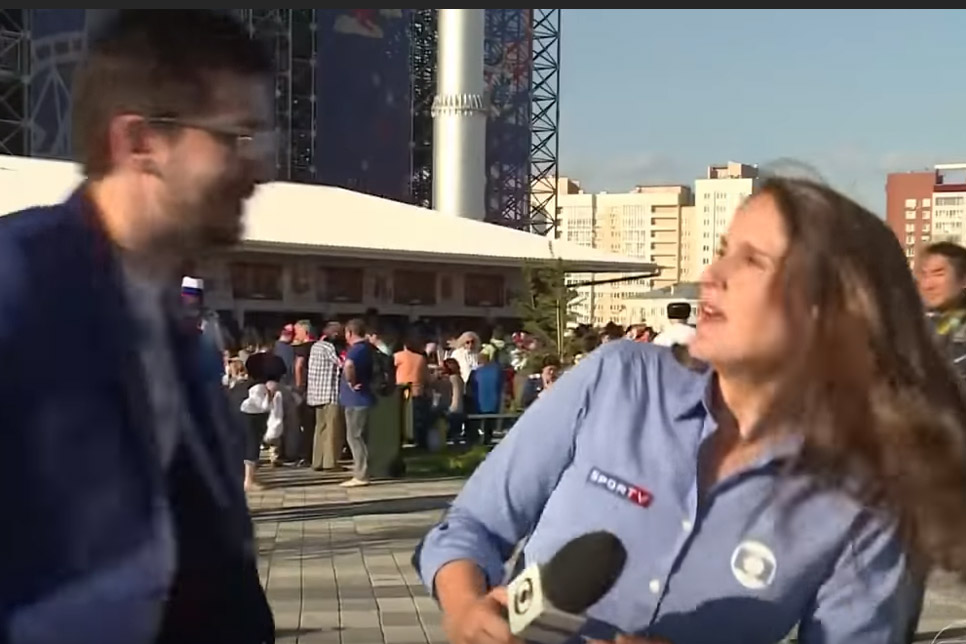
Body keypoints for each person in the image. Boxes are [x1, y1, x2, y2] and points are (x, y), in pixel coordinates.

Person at [413, 177, 966, 644]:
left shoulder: (867, 499)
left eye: (752, 261)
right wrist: (465, 608)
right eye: (722, 249)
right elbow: (471, 526)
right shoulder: (618, 380)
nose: (710, 274)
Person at [0, 10, 276, 643]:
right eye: (237, 137)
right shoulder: (20, 285)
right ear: (139, 142)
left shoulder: (179, 332)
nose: (261, 168)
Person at [917, 241, 966, 377]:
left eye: (938, 274)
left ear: (963, 279)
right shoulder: (909, 325)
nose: (927, 285)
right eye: (924, 275)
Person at [340, 318, 376, 488]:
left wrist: (351, 382)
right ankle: (362, 469)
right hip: (364, 397)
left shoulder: (356, 350)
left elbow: (349, 365)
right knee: (359, 436)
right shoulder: (368, 348)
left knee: (354, 436)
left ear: (350, 333)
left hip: (356, 399)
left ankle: (361, 474)